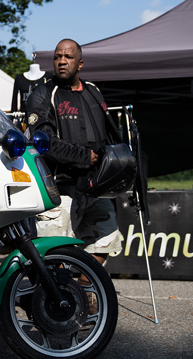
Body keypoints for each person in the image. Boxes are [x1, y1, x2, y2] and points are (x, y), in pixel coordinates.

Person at [25, 39, 122, 268]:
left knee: (104, 243)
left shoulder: (93, 91)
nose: (61, 61)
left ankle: (85, 293)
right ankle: (57, 298)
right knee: (55, 254)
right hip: (61, 188)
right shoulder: (42, 94)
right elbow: (43, 142)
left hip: (96, 185)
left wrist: (117, 165)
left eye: (68, 57)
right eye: (58, 57)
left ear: (80, 63)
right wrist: (84, 156)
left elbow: (108, 135)